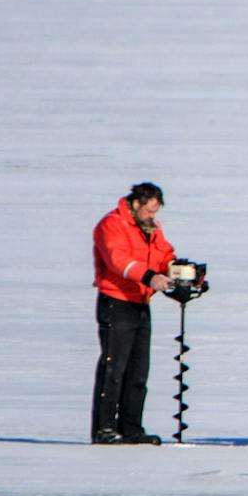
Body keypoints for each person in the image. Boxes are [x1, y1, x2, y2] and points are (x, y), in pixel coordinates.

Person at [91, 181, 177, 445]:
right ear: (137, 203)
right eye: (150, 211)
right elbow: (118, 260)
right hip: (116, 302)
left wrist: (178, 269)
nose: (153, 216)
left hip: (141, 302)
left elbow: (163, 254)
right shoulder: (112, 225)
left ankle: (131, 427)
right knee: (114, 367)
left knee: (139, 371)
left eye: (156, 212)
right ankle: (104, 428)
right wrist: (150, 277)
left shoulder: (151, 228)